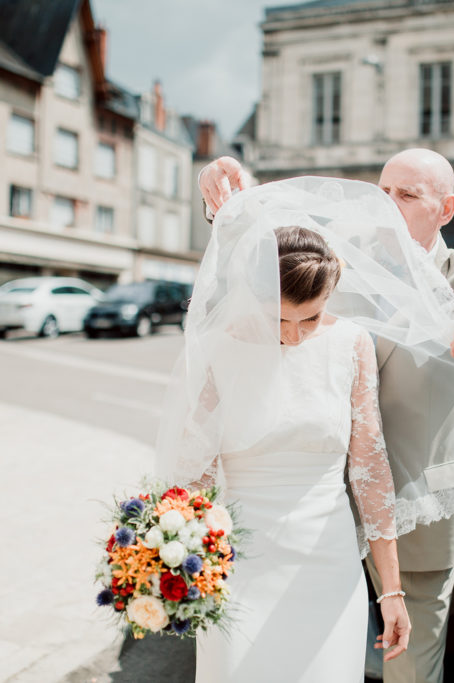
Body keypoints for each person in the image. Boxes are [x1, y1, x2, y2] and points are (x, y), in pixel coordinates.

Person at [198, 150, 454, 683]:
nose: (387, 205)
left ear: (446, 209)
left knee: (410, 672)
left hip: (416, 512)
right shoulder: (341, 256)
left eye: (407, 195)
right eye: (382, 191)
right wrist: (221, 202)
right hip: (311, 511)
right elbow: (260, 268)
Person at [159, 223, 411, 682]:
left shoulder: (352, 343)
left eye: (310, 319)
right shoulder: (217, 349)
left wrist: (391, 591)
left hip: (328, 562)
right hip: (240, 561)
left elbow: (371, 471)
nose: (294, 337)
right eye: (278, 321)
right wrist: (175, 557)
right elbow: (194, 474)